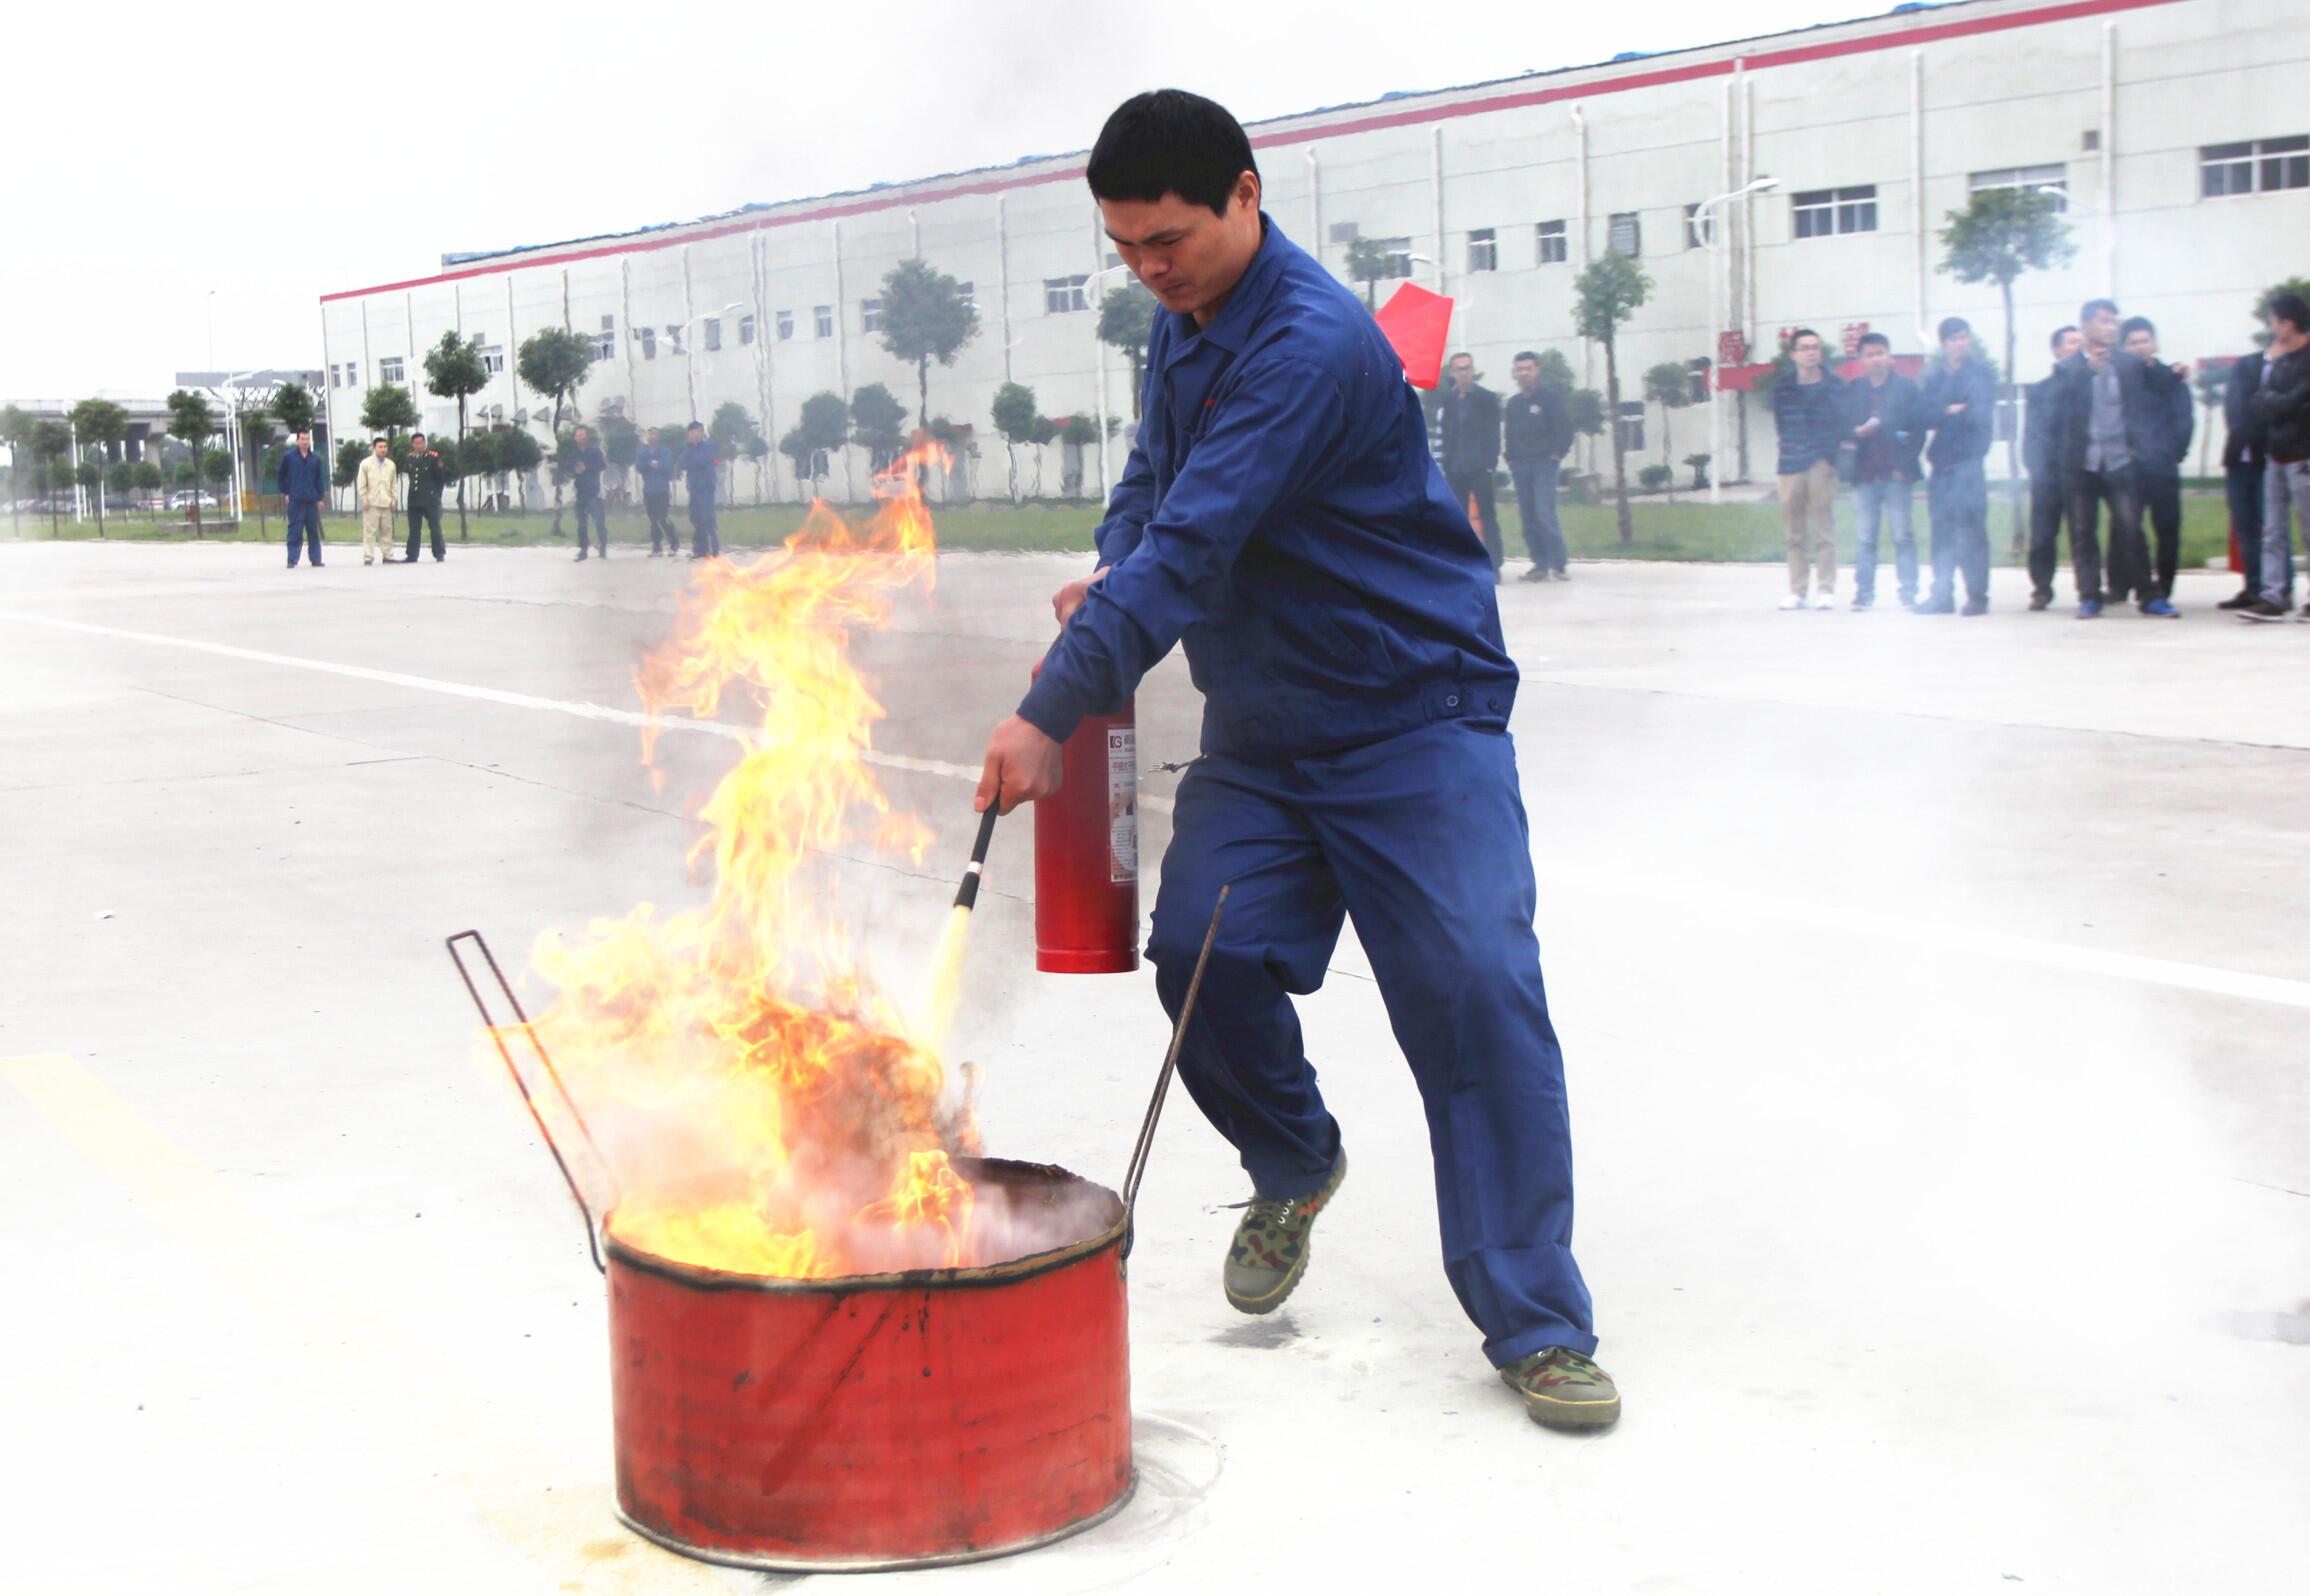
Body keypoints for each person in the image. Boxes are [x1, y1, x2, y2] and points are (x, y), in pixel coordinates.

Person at [973, 89, 1616, 1432]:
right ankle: (1293, 1160)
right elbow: (1152, 497)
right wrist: (1108, 569)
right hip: (1266, 731)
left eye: (1169, 239)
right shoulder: (1181, 330)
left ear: (1247, 197)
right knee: (1199, 959)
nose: (1149, 268)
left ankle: (1537, 1321)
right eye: (1125, 247)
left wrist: (1049, 709)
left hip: (1409, 719)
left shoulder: (1311, 346)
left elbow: (1195, 543)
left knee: (1474, 986)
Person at [2047, 298, 2161, 619]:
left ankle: (2148, 595)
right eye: (2104, 321)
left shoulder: (2128, 363)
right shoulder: (2067, 367)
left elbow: (2146, 402)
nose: (2111, 327)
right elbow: (2059, 409)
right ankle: (2089, 596)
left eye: (2114, 321)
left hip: (2120, 459)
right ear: (2085, 326)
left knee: (2131, 528)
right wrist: (2087, 372)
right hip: (2081, 463)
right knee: (2083, 532)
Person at [1915, 317, 1996, 616]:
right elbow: (1923, 416)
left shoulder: (1980, 374)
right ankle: (1941, 595)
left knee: (1972, 532)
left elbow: (1979, 415)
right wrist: (1949, 409)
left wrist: (1946, 414)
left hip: (1968, 463)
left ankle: (1977, 595)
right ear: (1944, 343)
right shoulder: (1935, 377)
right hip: (1941, 465)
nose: (1960, 343)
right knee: (1942, 532)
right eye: (1954, 339)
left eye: (1964, 337)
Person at [2242, 291, 2310, 623]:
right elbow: (2260, 403)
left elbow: (2297, 402)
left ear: (2287, 323)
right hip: (2277, 456)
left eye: (2273, 321)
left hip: (2304, 456)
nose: (2271, 327)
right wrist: (2281, 404)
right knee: (2273, 530)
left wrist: (2279, 404)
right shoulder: (2278, 361)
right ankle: (2274, 594)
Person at [1842, 331, 1922, 610]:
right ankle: (1864, 593)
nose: (1875, 359)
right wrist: (1856, 432)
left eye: (1880, 353)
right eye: (1869, 354)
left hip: (1896, 473)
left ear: (1890, 357)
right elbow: (1842, 427)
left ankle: (1909, 592)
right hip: (1864, 474)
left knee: (1903, 535)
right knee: (1865, 538)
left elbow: (1917, 429)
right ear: (1860, 359)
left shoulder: (1907, 388)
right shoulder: (1854, 390)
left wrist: (1905, 464)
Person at [2120, 316, 2194, 610]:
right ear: (2125, 346)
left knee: (2168, 528)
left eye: (2145, 340)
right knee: (2128, 527)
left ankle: (2163, 586)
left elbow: (2184, 419)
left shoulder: (2172, 377)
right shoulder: (2120, 379)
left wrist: (2174, 453)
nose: (2140, 347)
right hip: (2130, 465)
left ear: (2155, 343)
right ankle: (2138, 585)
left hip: (2163, 465)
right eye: (2134, 342)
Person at [1771, 328, 1844, 610]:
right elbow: (1781, 423)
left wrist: (1828, 455)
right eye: (1804, 347)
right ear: (1794, 354)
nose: (1811, 352)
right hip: (1790, 462)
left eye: (1815, 347)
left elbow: (1840, 421)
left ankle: (1826, 588)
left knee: (1824, 527)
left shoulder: (1834, 384)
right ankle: (1797, 590)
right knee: (1794, 531)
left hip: (1820, 462)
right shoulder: (1783, 387)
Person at [2024, 325, 2084, 610]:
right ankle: (2041, 588)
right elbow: (2032, 434)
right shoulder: (2041, 390)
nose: (2077, 348)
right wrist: (2037, 468)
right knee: (2042, 536)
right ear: (2057, 350)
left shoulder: (2089, 386)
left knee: (2082, 533)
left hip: (2080, 472)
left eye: (2080, 343)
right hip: (2047, 474)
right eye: (2071, 343)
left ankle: (2088, 590)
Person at [1503, 351, 1572, 582]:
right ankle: (1539, 564)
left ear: (1537, 370)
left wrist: (1556, 455)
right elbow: (1509, 434)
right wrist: (1510, 458)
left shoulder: (1550, 398)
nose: (1524, 373)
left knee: (1544, 512)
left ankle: (1559, 563)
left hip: (1544, 464)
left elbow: (1565, 429)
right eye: (1520, 368)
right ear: (1515, 372)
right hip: (1521, 466)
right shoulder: (1514, 404)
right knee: (1528, 516)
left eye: (1528, 368)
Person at [1439, 352, 1504, 579]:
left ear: (1473, 370)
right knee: (1459, 518)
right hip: (1455, 467)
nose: (1463, 373)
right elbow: (1446, 432)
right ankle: (1463, 564)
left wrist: (1490, 462)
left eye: (1467, 368)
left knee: (1487, 516)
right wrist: (1446, 462)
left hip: (1480, 467)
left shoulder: (1486, 398)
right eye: (1459, 369)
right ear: (1452, 373)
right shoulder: (1449, 399)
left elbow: (1493, 432)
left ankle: (1494, 565)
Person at [2221, 341, 2271, 611]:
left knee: (2271, 530)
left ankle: (2276, 589)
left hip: (2269, 461)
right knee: (2245, 530)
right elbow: (2233, 408)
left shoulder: (2294, 367)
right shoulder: (2246, 364)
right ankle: (2253, 587)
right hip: (2239, 460)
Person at [276, 428, 327, 569]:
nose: (305, 442)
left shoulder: (315, 459)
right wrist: (286, 492)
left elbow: (319, 479)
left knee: (313, 531)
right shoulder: (289, 457)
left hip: (311, 499)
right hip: (296, 500)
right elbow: (281, 477)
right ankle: (292, 559)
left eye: (307, 439)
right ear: (297, 440)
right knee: (295, 530)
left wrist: (320, 498)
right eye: (302, 439)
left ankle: (316, 559)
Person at [401, 431, 448, 564]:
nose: (419, 446)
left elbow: (440, 479)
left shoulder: (433, 457)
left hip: (430, 499)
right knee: (414, 529)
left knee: (434, 527)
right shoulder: (410, 458)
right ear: (412, 445)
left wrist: (436, 495)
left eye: (421, 443)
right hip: (414, 499)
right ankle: (412, 555)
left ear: (425, 443)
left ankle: (439, 553)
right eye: (416, 443)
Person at [679, 421, 721, 558]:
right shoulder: (687, 447)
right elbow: (682, 463)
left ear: (701, 432)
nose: (693, 435)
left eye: (696, 432)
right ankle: (700, 549)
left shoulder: (708, 445)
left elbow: (705, 460)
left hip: (707, 487)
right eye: (690, 433)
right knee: (695, 518)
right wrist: (691, 462)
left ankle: (714, 549)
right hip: (694, 487)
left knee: (708, 518)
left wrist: (692, 462)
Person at [355, 437, 397, 567]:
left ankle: (388, 555)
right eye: (380, 447)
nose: (383, 449)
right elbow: (361, 483)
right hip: (371, 503)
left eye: (385, 447)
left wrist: (393, 500)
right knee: (369, 532)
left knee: (387, 531)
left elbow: (393, 484)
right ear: (374, 448)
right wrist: (364, 498)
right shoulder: (366, 464)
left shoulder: (390, 465)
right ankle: (368, 556)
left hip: (386, 502)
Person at [635, 425, 677, 556]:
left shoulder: (665, 451)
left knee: (663, 518)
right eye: (649, 434)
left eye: (654, 434)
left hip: (662, 489)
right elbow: (639, 465)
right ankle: (657, 546)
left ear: (658, 437)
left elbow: (667, 466)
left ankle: (674, 542)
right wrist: (650, 464)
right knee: (653, 520)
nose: (652, 437)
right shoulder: (643, 451)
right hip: (649, 490)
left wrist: (656, 465)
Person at [569, 424, 608, 560]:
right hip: (580, 491)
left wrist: (587, 468)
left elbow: (602, 466)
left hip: (594, 491)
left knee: (599, 521)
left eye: (582, 435)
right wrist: (575, 470)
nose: (581, 438)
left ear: (587, 437)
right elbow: (570, 468)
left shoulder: (595, 451)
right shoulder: (574, 453)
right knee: (581, 523)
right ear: (575, 438)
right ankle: (583, 549)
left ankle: (603, 546)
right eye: (578, 436)